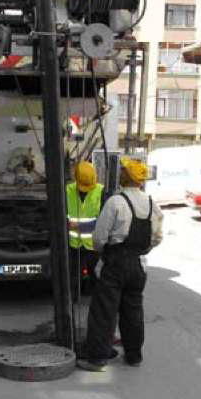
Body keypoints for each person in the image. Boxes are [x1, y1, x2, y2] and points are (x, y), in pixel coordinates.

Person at [77, 158, 163, 371]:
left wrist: (104, 253)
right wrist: (142, 251)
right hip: (138, 265)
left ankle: (97, 358)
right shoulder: (153, 205)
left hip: (115, 264)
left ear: (125, 177)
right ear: (140, 181)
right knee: (133, 311)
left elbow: (98, 238)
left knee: (104, 311)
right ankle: (134, 356)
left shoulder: (116, 202)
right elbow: (157, 238)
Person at [66, 161, 103, 296]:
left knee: (97, 277)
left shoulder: (101, 191)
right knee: (73, 278)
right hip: (74, 245)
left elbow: (104, 222)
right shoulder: (67, 191)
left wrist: (79, 226)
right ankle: (71, 304)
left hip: (94, 245)